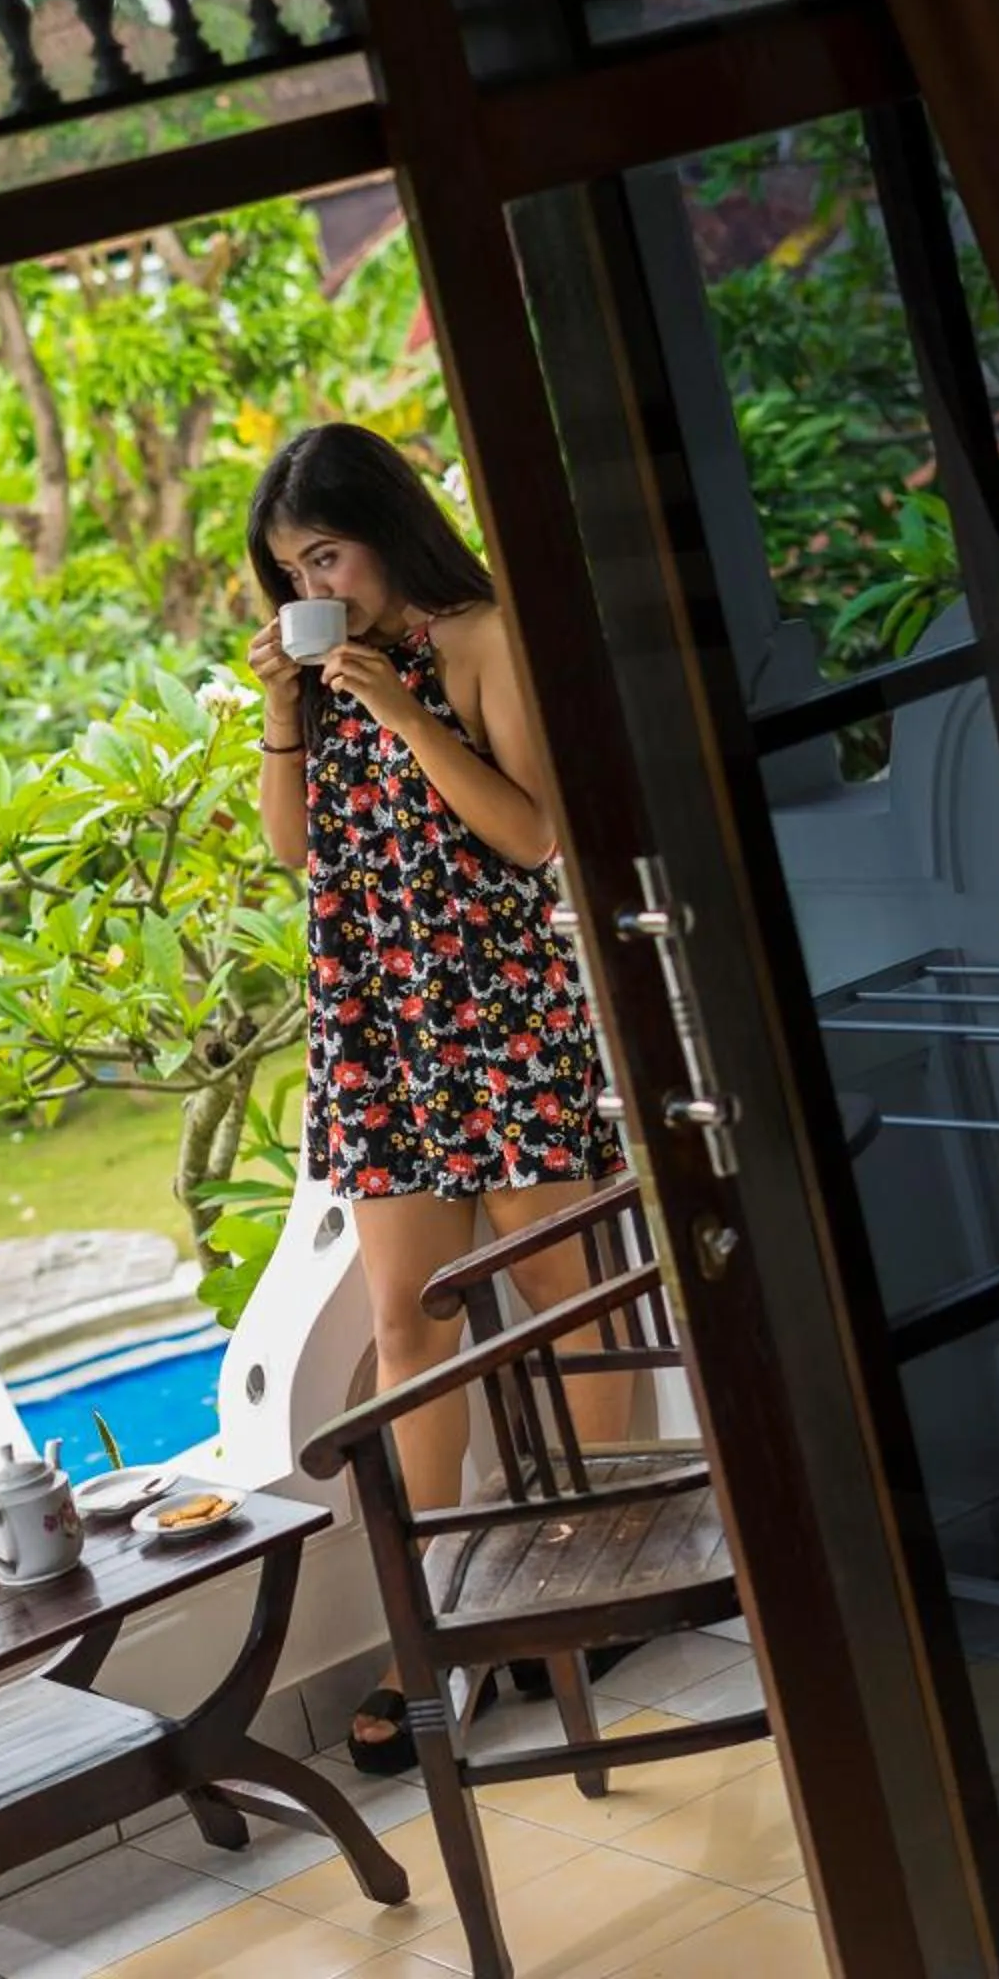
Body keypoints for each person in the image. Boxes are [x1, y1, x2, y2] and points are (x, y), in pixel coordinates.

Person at [242, 422, 633, 1776]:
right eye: (291, 567)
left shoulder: (475, 635)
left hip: (500, 1017)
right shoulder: (320, 675)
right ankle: (441, 1632)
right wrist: (292, 715)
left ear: (382, 530)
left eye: (326, 552)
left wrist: (406, 712)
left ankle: (606, 1590)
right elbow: (295, 853)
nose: (314, 583)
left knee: (560, 1296)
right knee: (410, 1325)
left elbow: (534, 833)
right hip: (378, 1033)